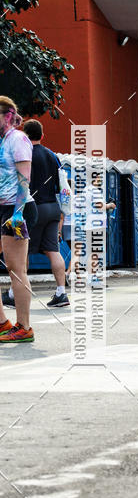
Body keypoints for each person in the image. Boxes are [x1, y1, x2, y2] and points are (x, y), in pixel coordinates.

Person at [3, 119, 69, 309]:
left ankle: (15, 294)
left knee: (21, 251)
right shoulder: (52, 156)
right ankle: (61, 293)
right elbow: (61, 185)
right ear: (42, 135)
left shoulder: (24, 153)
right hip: (53, 207)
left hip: (33, 207)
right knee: (53, 250)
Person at [0, 96, 37, 343]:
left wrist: (17, 213)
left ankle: (24, 327)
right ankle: (3, 323)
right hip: (1, 207)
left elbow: (25, 179)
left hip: (17, 209)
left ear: (7, 115)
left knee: (16, 269)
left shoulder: (18, 139)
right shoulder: (2, 141)